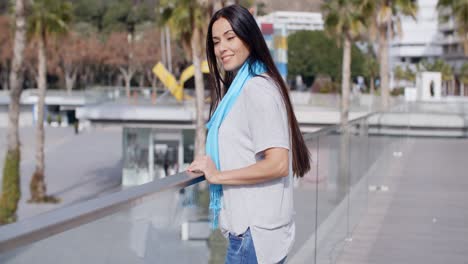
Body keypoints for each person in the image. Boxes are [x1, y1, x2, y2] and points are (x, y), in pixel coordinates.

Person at [187, 5, 311, 264]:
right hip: (256, 232)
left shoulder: (257, 89)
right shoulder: (247, 87)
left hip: (252, 237)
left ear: (249, 37)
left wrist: (217, 175)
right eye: (216, 41)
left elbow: (277, 163)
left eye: (230, 38)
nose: (222, 48)